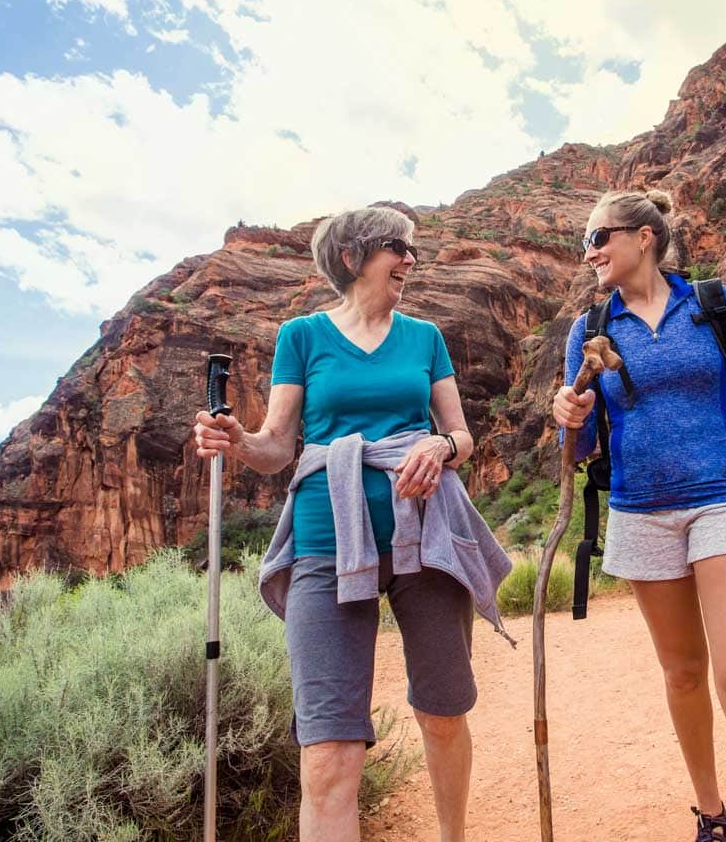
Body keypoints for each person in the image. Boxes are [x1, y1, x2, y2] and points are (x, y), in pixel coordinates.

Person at [193, 205, 511, 842]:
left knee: (443, 714)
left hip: (426, 541)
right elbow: (278, 446)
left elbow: (462, 434)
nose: (411, 261)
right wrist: (238, 440)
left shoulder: (425, 337)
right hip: (324, 544)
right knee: (327, 750)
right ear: (352, 257)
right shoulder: (302, 336)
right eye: (399, 247)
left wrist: (440, 448)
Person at [551, 189, 726, 842]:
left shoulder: (714, 306)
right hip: (641, 513)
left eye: (598, 236)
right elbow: (580, 451)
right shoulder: (590, 329)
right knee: (684, 672)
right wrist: (570, 420)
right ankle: (712, 813)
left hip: (725, 500)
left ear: (643, 237)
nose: (589, 252)